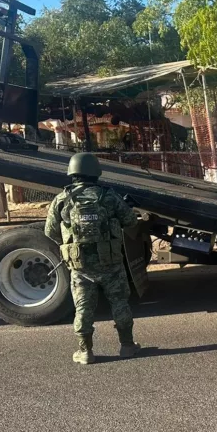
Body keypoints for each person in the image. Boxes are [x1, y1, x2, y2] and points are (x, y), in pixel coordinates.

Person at [45, 153, 141, 365]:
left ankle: (85, 352)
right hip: (111, 263)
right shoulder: (109, 196)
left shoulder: (62, 199)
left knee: (83, 308)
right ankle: (127, 346)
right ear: (96, 172)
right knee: (119, 302)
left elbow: (50, 232)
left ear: (72, 172)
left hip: (81, 267)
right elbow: (131, 221)